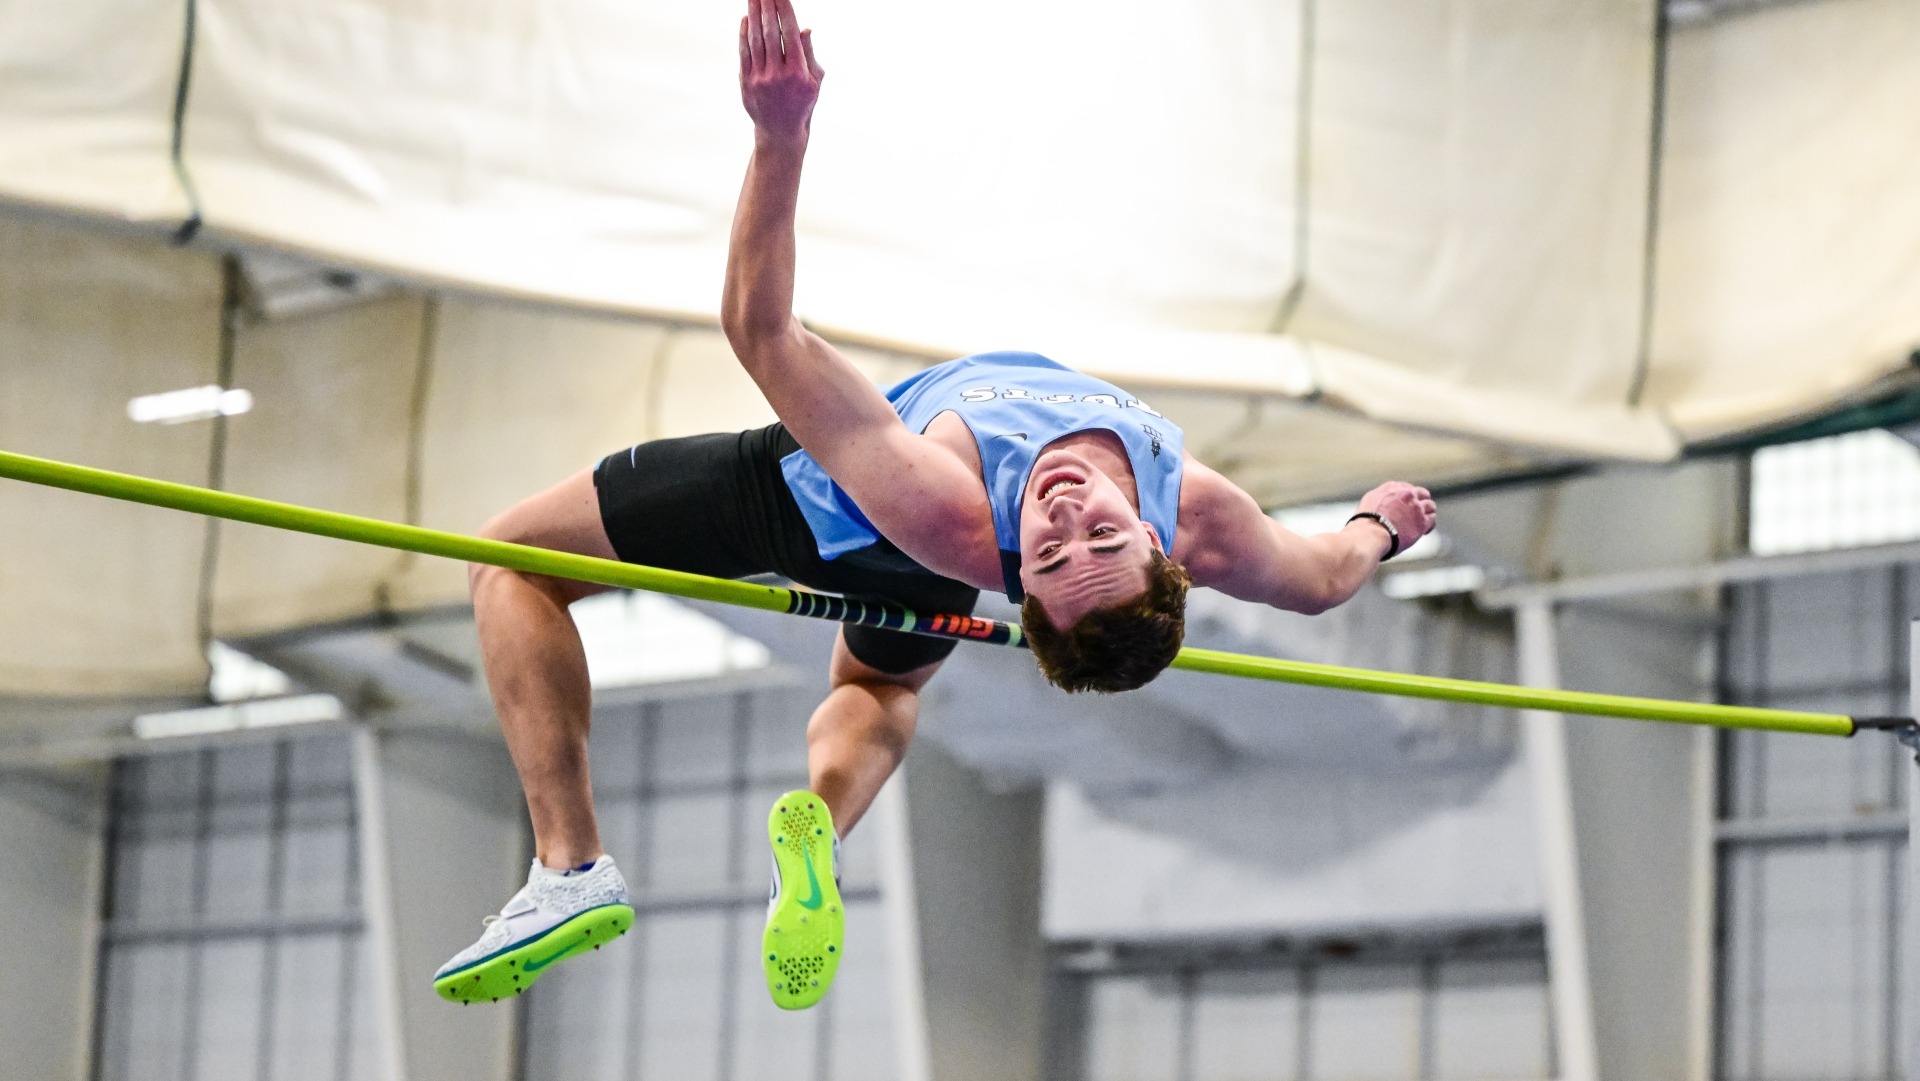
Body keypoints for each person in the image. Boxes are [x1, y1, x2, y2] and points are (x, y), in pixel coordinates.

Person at [432, 0, 1438, 1011]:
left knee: (509, 560)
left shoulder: (952, 509)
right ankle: (820, 824)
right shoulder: (1207, 514)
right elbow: (1320, 582)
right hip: (912, 569)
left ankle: (569, 866)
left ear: (1023, 589)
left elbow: (763, 332)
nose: (1062, 512)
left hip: (805, 502)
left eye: (1046, 556)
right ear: (1162, 541)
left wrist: (781, 136)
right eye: (1097, 533)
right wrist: (1383, 522)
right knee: (883, 690)